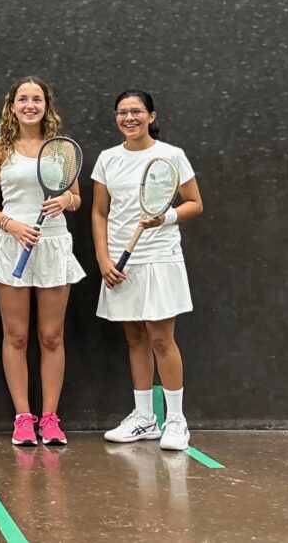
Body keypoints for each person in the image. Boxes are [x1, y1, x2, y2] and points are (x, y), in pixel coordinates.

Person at [92, 90, 202, 451]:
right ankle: (144, 418)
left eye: (136, 111)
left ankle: (176, 420)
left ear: (151, 116)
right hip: (121, 262)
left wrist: (165, 217)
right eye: (122, 112)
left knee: (161, 339)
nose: (129, 118)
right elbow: (99, 213)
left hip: (160, 257)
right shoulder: (107, 159)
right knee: (135, 339)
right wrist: (104, 259)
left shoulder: (172, 155)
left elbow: (195, 204)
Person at [0, 76, 85, 446]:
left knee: (51, 336)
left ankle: (50, 419)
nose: (30, 105)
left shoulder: (61, 149)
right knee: (17, 335)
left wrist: (65, 201)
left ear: (45, 106)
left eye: (36, 99)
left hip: (53, 244)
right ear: (12, 106)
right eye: (23, 99)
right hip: (11, 244)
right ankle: (23, 418)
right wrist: (11, 225)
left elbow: (76, 198)